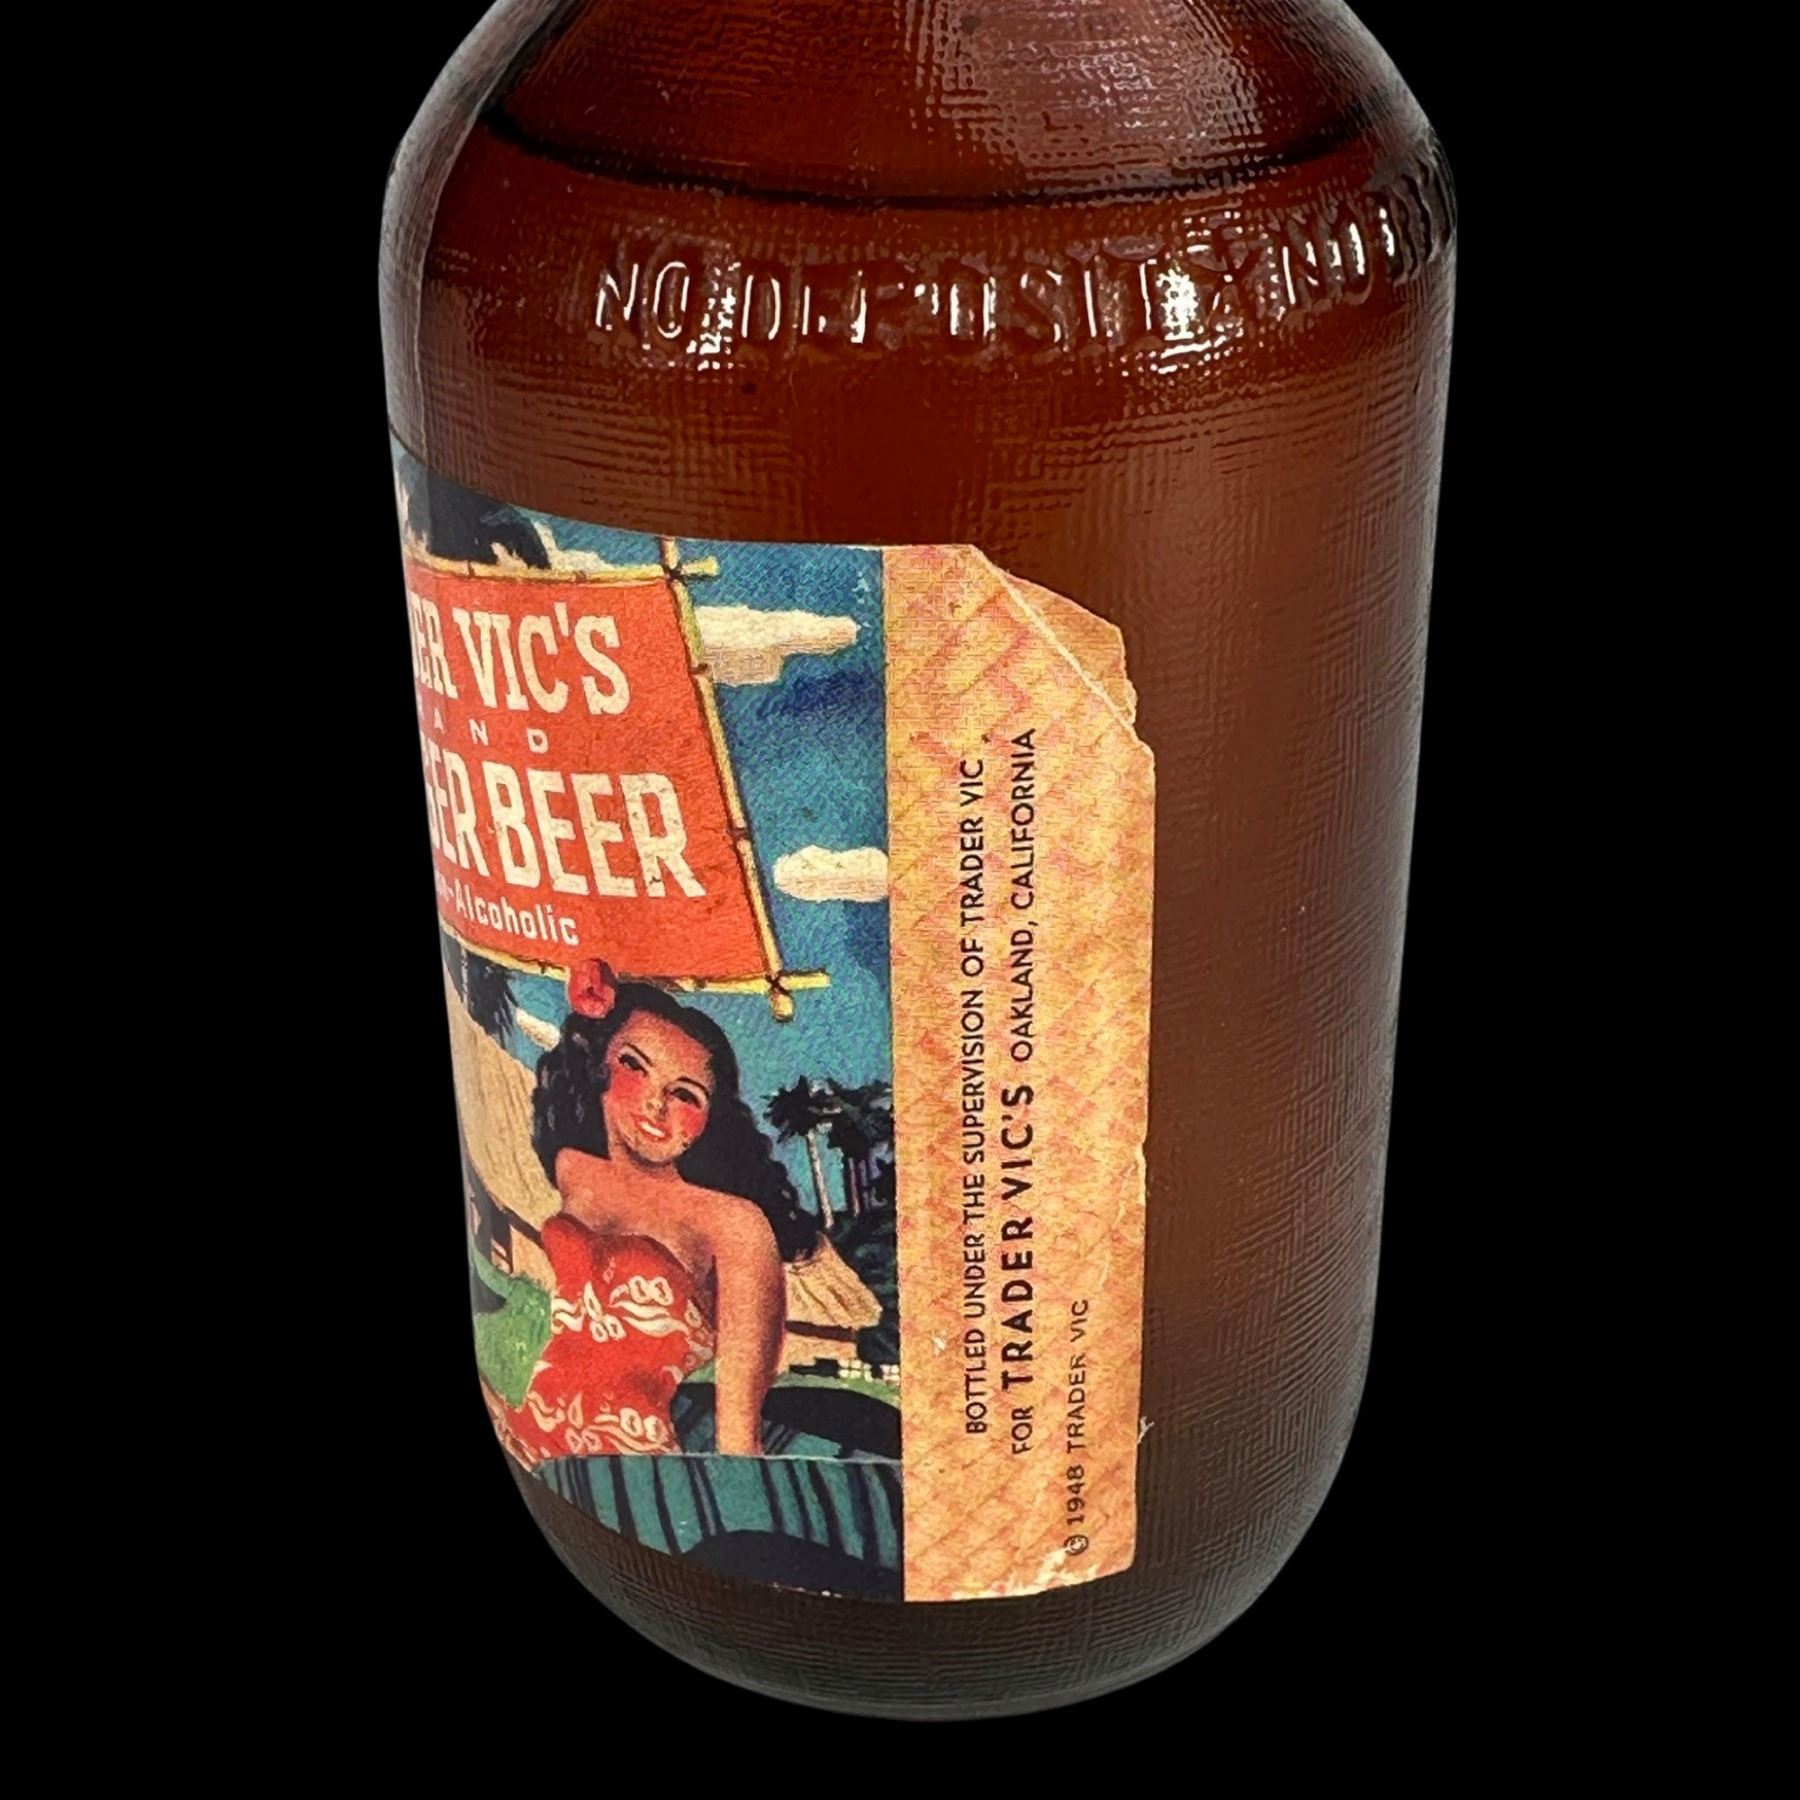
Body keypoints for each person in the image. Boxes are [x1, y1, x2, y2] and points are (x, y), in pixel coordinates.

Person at [487, 959, 817, 1465]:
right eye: (634, 1066)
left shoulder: (732, 1224)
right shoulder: (570, 1167)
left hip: (637, 1470)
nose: (656, 1103)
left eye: (685, 1094)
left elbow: (737, 1439)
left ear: (710, 1119)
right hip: (531, 1447)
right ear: (598, 1064)